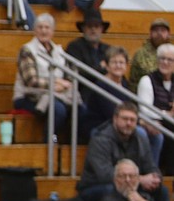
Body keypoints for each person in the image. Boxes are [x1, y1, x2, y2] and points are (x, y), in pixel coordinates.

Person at [72, 101, 169, 201]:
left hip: (130, 185)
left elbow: (149, 164)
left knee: (162, 191)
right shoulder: (100, 140)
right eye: (125, 119)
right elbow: (105, 175)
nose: (128, 123)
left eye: (132, 120)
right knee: (116, 191)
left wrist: (155, 177)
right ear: (115, 119)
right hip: (95, 188)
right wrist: (140, 180)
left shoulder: (140, 138)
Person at [12, 13, 86, 141]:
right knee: (58, 110)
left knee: (81, 109)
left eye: (47, 27)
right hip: (28, 96)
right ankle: (47, 141)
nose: (43, 31)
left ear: (52, 31)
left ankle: (68, 143)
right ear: (35, 30)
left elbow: (69, 75)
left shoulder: (59, 51)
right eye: (40, 27)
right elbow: (31, 81)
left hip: (56, 94)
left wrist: (64, 85)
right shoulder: (27, 50)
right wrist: (55, 84)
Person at [136, 43, 174, 168]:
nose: (165, 62)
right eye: (162, 58)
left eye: (170, 60)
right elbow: (145, 110)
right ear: (157, 61)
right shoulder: (147, 80)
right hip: (153, 123)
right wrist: (167, 114)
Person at [86, 45, 136, 131]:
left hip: (122, 123)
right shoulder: (101, 85)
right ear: (107, 66)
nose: (118, 66)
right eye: (114, 62)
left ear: (126, 66)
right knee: (140, 132)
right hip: (102, 126)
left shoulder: (125, 84)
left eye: (121, 62)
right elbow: (110, 113)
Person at [65, 9, 112, 102]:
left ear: (102, 29)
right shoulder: (74, 47)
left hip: (106, 91)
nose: (93, 29)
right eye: (89, 26)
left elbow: (113, 71)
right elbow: (79, 73)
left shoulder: (108, 49)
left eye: (96, 26)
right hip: (82, 93)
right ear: (83, 28)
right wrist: (100, 68)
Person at [129, 17, 170, 89]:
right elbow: (133, 81)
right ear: (150, 33)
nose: (159, 33)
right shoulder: (140, 54)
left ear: (168, 34)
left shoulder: (172, 53)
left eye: (163, 30)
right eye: (156, 30)